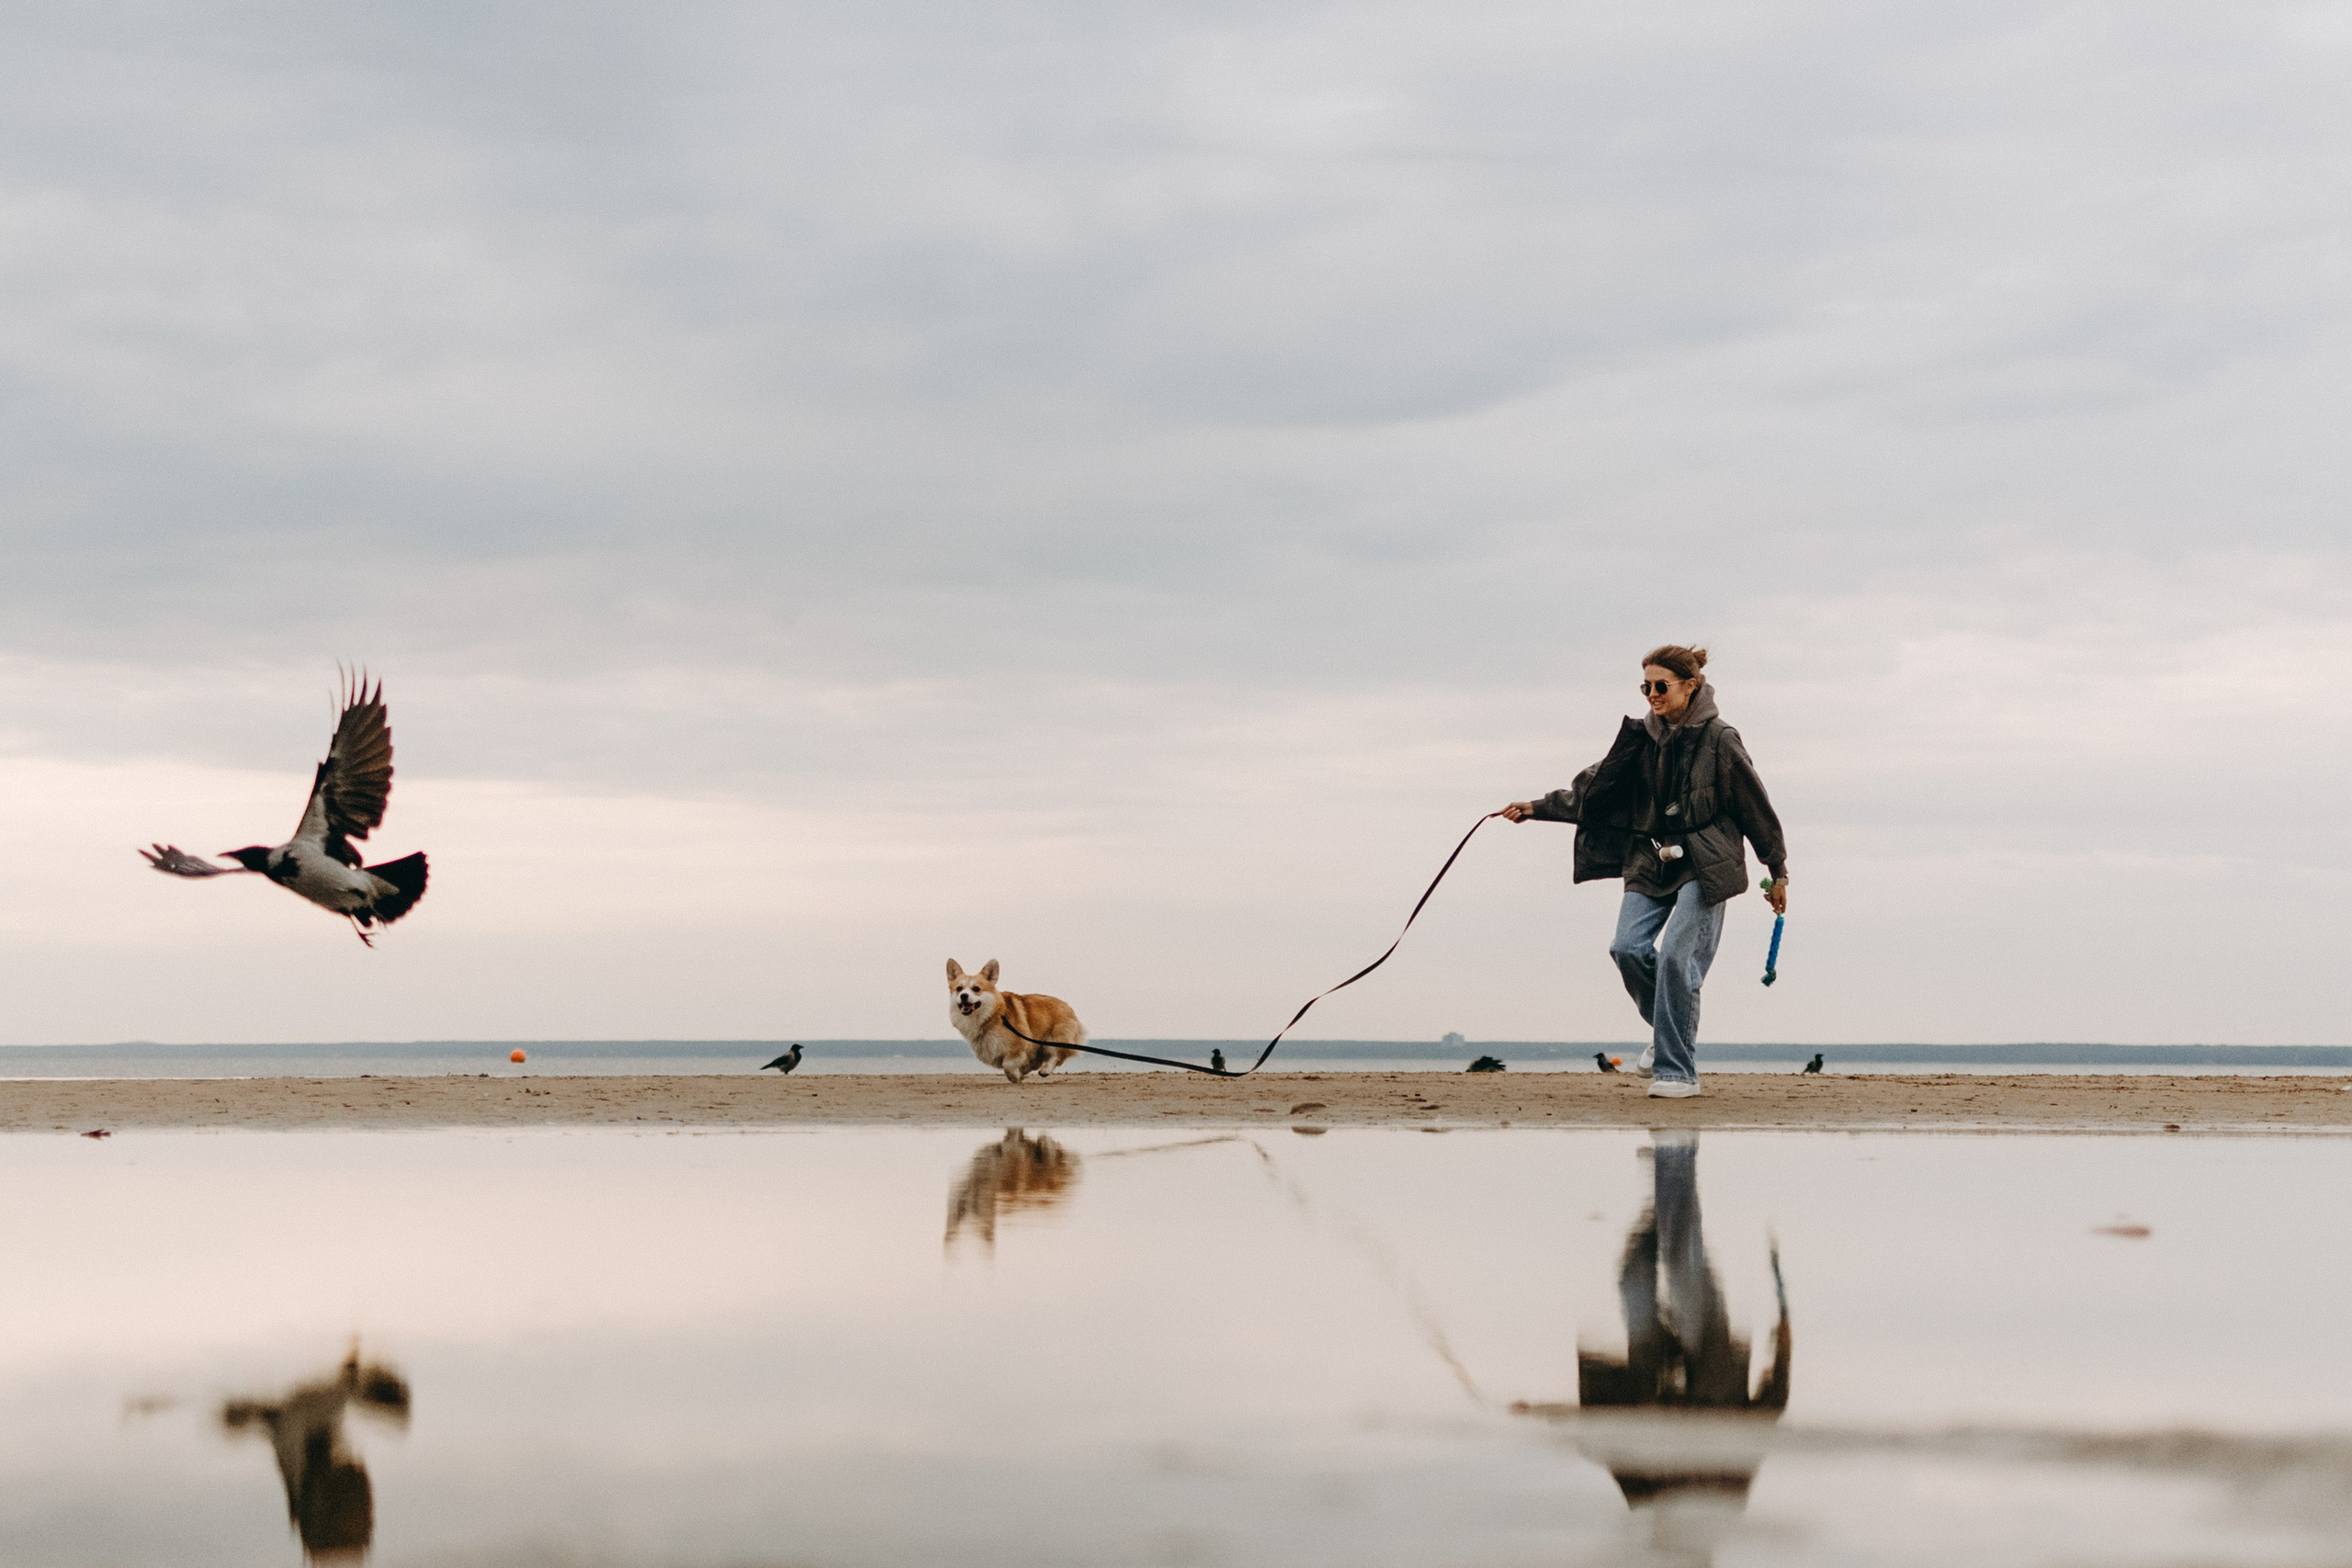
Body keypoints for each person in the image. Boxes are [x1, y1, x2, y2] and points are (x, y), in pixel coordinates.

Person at [1501, 646, 1787, 1099]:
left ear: (1690, 686)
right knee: (1627, 948)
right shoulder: (1640, 739)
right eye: (1645, 687)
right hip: (1650, 859)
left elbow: (1755, 806)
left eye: (1660, 686)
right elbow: (1592, 789)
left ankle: (1677, 1073)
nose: (1651, 695)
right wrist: (1537, 807)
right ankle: (1668, 1032)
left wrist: (1778, 871)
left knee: (1676, 956)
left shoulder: (1721, 738)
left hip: (1706, 862)